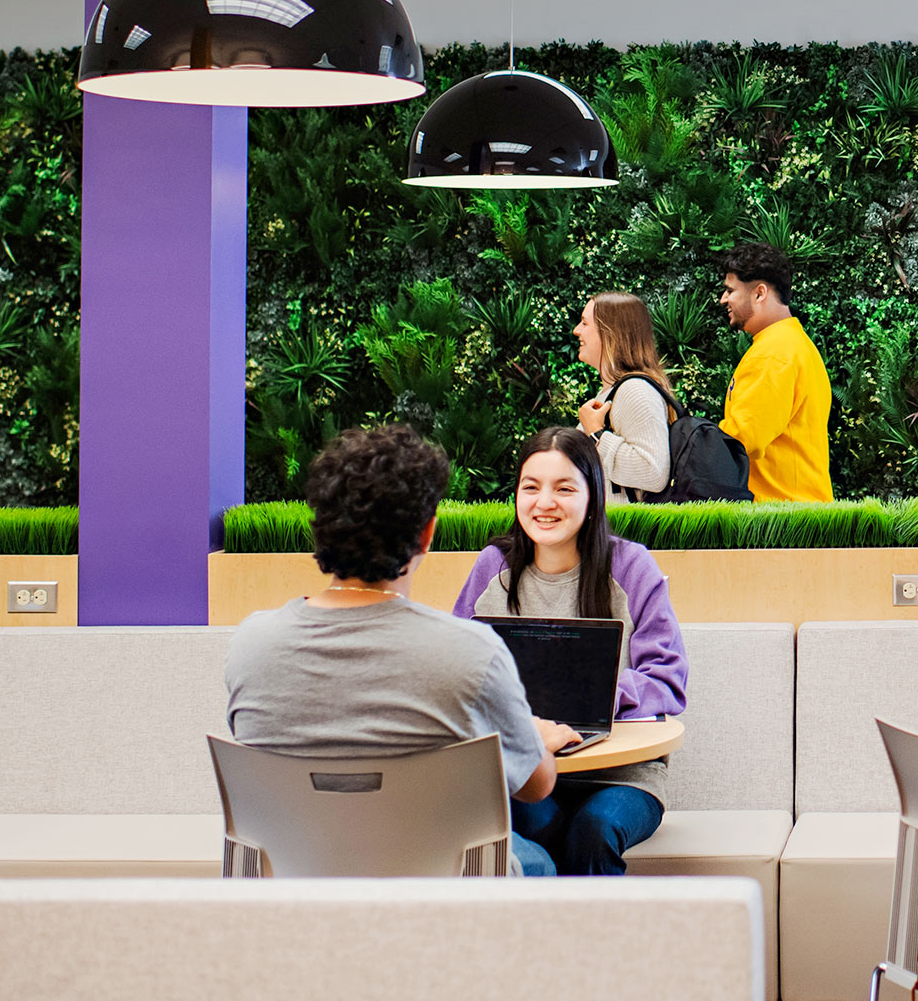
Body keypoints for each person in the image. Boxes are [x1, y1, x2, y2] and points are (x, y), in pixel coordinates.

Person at [224, 424, 576, 878]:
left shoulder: (251, 645)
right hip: (443, 909)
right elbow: (536, 786)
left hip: (297, 901)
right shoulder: (470, 653)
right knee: (541, 866)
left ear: (320, 530)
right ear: (427, 533)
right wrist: (538, 740)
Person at [454, 427, 688, 876]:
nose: (545, 503)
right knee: (533, 826)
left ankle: (595, 948)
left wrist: (593, 696)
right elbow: (457, 674)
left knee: (593, 830)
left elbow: (668, 678)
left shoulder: (631, 566)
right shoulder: (493, 567)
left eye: (564, 488)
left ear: (593, 495)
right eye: (531, 487)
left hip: (623, 773)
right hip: (528, 767)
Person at [717, 241, 832, 502]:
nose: (724, 299)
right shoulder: (793, 344)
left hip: (781, 521)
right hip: (799, 513)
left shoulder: (773, 354)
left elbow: (741, 442)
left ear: (759, 293)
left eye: (730, 290)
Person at [573, 292, 677, 503]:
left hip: (623, 533)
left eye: (585, 323)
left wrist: (596, 435)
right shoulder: (616, 391)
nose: (577, 330)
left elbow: (654, 473)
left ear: (610, 333)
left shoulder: (635, 391)